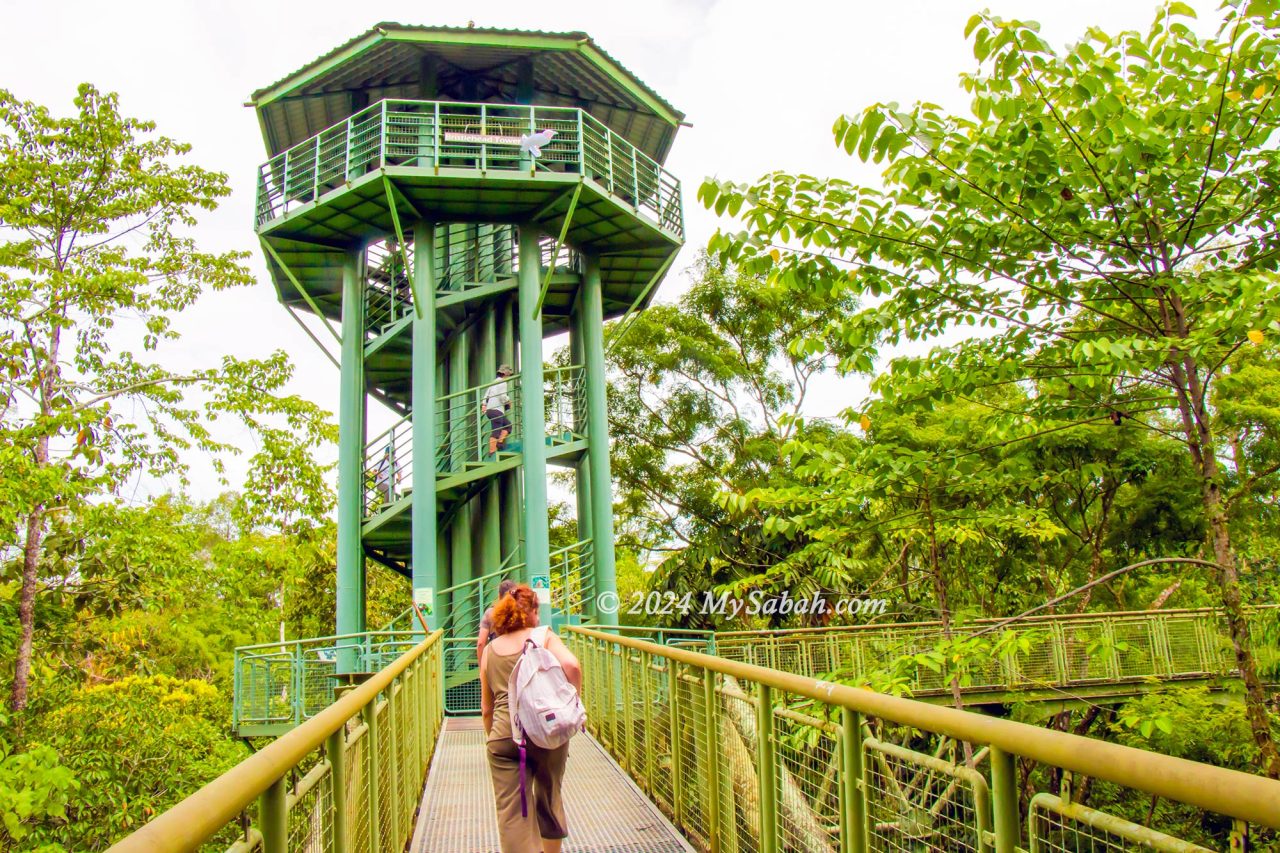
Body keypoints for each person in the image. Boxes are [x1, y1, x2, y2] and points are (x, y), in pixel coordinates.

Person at [480, 585, 582, 853]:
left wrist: (492, 735)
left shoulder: (490, 650)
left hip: (504, 734)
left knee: (512, 812)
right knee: (549, 797)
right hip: (546, 730)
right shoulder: (543, 636)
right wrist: (574, 705)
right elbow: (572, 666)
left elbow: (487, 707)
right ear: (532, 612)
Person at [476, 578, 517, 664]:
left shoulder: (489, 613)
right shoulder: (521, 613)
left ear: (499, 595)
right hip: (516, 662)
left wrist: (481, 667)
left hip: (496, 661)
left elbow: (480, 643)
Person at [484, 364, 515, 455]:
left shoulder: (494, 382)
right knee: (496, 430)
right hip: (496, 410)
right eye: (509, 374)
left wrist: (484, 405)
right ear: (505, 374)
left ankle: (499, 443)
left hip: (491, 410)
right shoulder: (502, 382)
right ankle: (492, 451)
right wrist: (509, 401)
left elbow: (486, 396)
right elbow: (502, 396)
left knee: (508, 425)